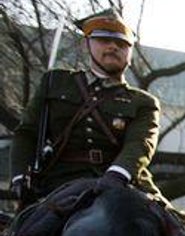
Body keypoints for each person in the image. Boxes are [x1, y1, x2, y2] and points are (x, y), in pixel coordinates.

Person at [10, 9, 162, 207]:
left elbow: (140, 144)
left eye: (122, 43)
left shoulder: (144, 103)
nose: (113, 47)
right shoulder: (55, 82)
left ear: (130, 53)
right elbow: (27, 133)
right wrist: (20, 176)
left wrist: (117, 174)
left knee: (176, 232)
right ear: (86, 44)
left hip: (123, 183)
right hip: (57, 183)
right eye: (103, 40)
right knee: (22, 235)